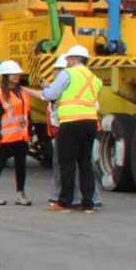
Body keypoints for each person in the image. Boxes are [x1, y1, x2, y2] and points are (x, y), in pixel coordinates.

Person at [40, 44, 102, 213]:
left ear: (74, 59)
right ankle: (88, 203)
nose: (66, 61)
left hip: (70, 122)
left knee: (66, 162)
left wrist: (44, 92)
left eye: (68, 58)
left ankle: (64, 202)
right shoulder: (94, 78)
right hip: (90, 122)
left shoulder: (67, 73)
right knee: (85, 164)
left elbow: (53, 94)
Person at [0, 60, 33, 206]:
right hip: (6, 136)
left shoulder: (22, 92)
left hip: (21, 136)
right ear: (5, 75)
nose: (17, 76)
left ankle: (20, 193)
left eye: (18, 73)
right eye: (13, 73)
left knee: (21, 165)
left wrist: (30, 132)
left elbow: (27, 113)